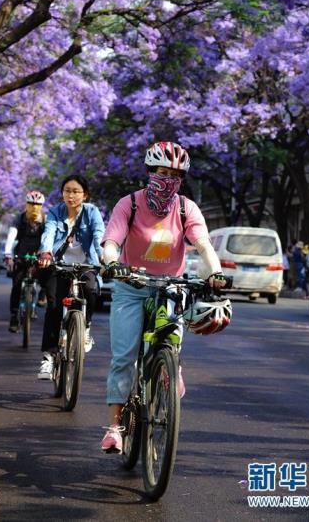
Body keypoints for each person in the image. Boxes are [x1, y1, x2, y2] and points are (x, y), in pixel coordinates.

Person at [100, 141, 229, 454]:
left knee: (169, 342)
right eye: (161, 171)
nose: (167, 179)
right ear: (149, 172)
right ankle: (115, 427)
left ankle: (171, 369)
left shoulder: (186, 208)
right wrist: (113, 263)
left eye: (175, 174)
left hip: (171, 287)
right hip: (131, 287)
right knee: (124, 358)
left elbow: (203, 245)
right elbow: (111, 243)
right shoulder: (128, 204)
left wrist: (215, 273)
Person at [37, 174, 105, 380]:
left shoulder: (92, 212)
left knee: (92, 290)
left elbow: (98, 235)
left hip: (86, 263)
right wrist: (46, 252)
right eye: (67, 191)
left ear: (85, 195)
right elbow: (48, 233)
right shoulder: (55, 212)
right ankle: (48, 357)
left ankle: (86, 327)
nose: (71, 195)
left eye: (76, 191)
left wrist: (104, 256)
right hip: (58, 265)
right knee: (55, 307)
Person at [4, 190, 46, 333]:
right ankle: (14, 316)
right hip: (21, 256)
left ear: (42, 206)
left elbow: (49, 238)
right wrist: (8, 254)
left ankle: (42, 295)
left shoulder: (45, 220)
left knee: (48, 275)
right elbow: (11, 236)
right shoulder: (19, 219)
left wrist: (47, 254)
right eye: (31, 204)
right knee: (16, 285)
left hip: (39, 256)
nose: (34, 207)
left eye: (37, 204)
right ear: (26, 204)